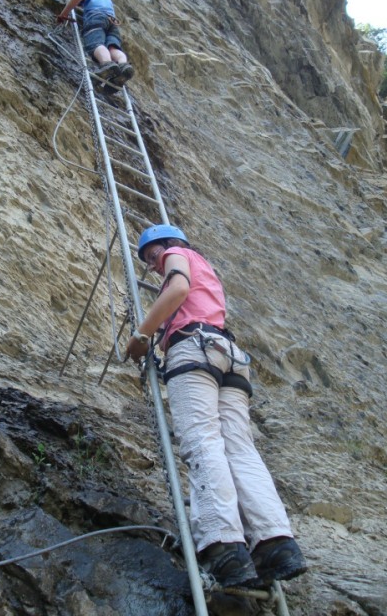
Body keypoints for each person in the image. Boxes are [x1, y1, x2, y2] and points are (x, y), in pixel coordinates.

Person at [126, 224, 308, 590]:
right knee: (240, 449)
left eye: (152, 255)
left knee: (202, 441)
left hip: (193, 349)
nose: (152, 264)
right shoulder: (207, 269)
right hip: (229, 355)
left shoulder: (177, 257)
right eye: (147, 261)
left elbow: (177, 288)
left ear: (166, 246)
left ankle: (223, 545)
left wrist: (143, 336)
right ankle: (275, 543)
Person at [57, 0, 134, 87]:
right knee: (113, 48)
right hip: (112, 22)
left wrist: (64, 14)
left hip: (97, 18)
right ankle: (123, 65)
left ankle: (107, 65)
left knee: (96, 43)